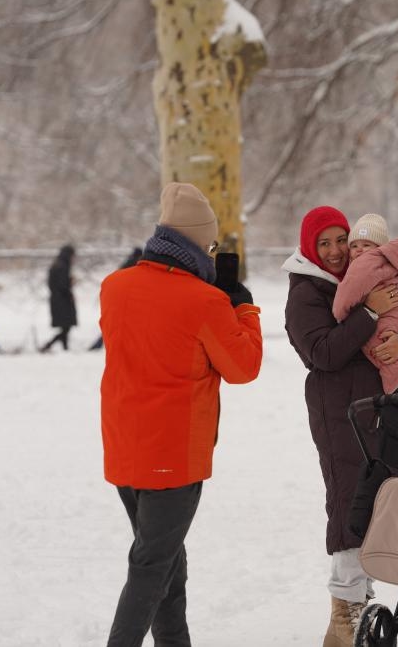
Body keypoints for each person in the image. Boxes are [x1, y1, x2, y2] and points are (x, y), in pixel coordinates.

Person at [99, 181, 262, 646]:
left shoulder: (114, 288)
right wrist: (242, 306)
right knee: (152, 568)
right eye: (210, 245)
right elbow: (243, 367)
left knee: (167, 563)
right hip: (173, 456)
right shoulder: (206, 301)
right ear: (196, 242)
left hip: (125, 449)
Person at [283, 206, 398, 647]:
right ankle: (346, 612)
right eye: (323, 243)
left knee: (378, 503)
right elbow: (322, 353)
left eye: (339, 240)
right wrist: (367, 314)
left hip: (380, 409)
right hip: (338, 414)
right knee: (350, 504)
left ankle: (356, 610)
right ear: (310, 246)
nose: (334, 251)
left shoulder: (370, 272)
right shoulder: (305, 293)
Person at [332, 213, 398, 394]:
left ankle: (395, 373)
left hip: (385, 320)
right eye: (354, 246)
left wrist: (341, 311)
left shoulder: (363, 265)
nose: (360, 251)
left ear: (380, 247)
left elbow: (348, 292)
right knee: (393, 347)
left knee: (377, 347)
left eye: (366, 245)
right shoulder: (396, 264)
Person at [88, 247, 143, 351]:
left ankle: (98, 344)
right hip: (129, 299)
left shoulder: (126, 263)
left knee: (115, 325)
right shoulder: (136, 264)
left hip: (119, 297)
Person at [39, 244, 77, 352]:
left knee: (65, 326)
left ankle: (64, 347)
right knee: (66, 326)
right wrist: (70, 286)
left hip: (57, 300)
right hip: (62, 301)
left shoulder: (58, 264)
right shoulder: (62, 266)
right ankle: (49, 345)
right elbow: (62, 285)